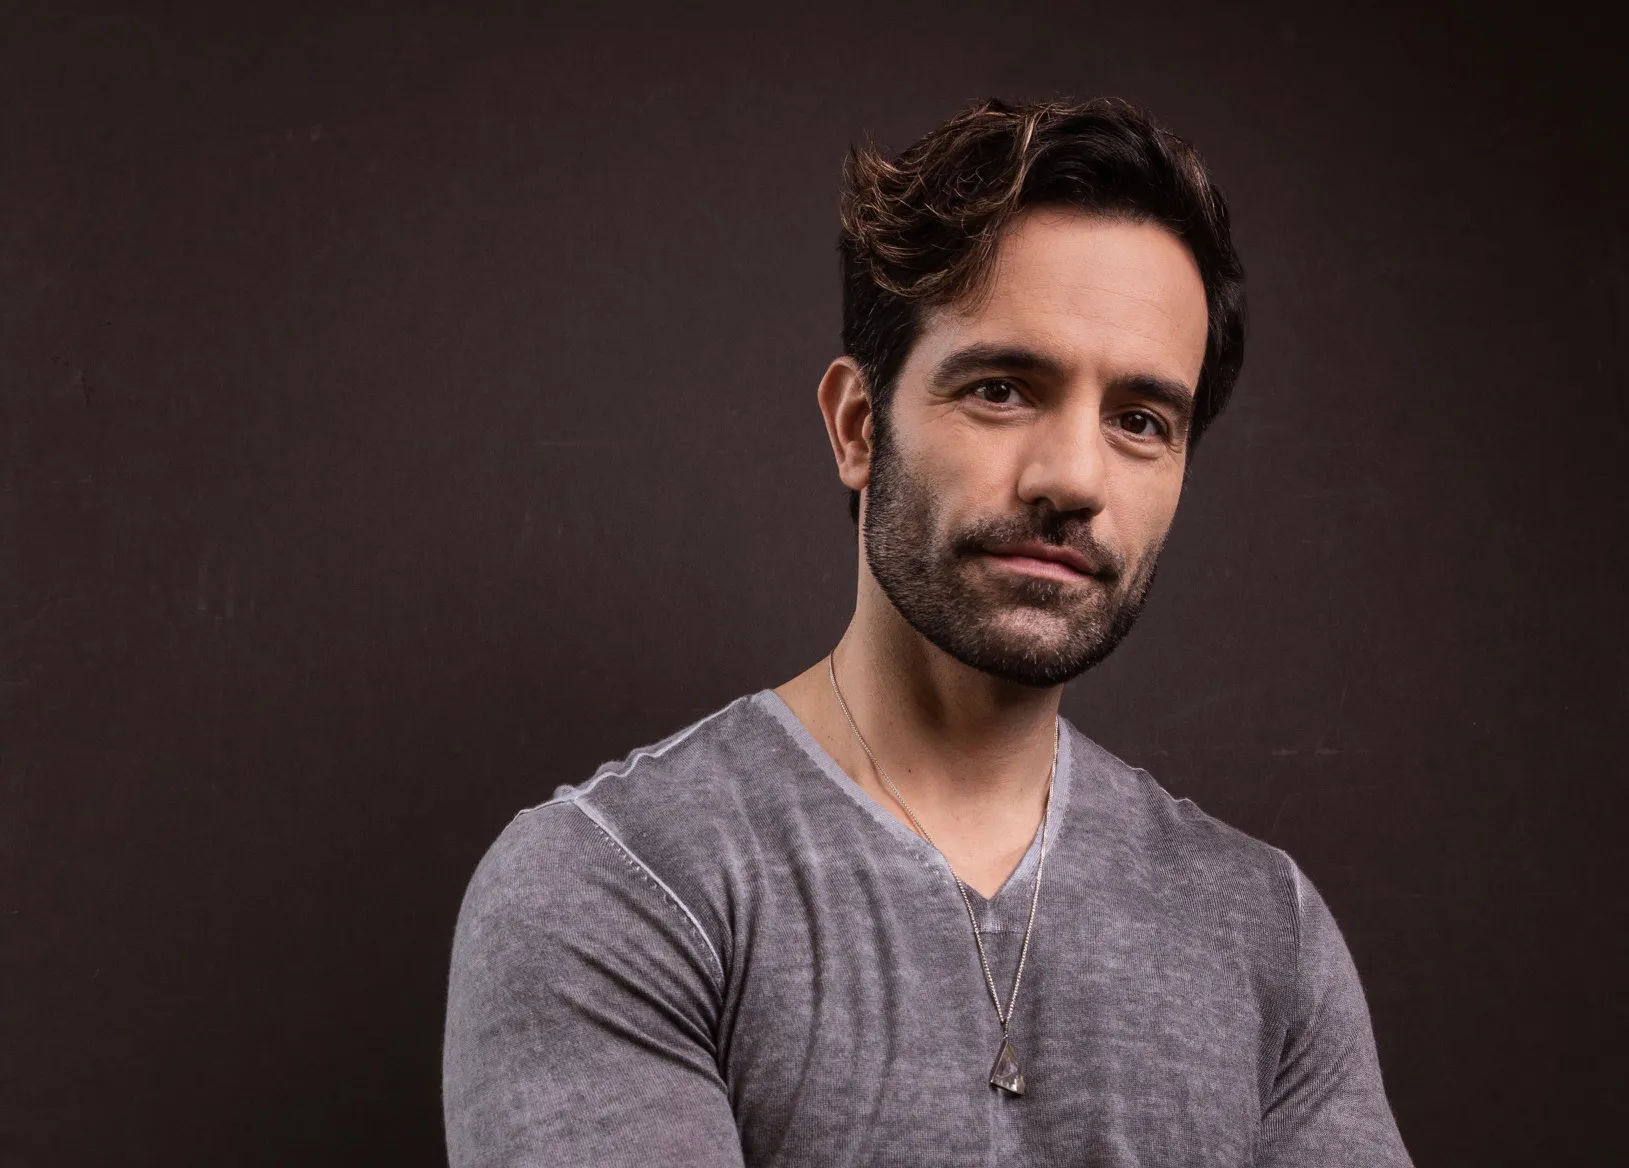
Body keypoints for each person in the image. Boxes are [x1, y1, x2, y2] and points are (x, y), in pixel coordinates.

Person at [442, 97, 1413, 1167]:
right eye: (1002, 390)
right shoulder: (618, 881)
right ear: (859, 425)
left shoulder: (1266, 930)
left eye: (1140, 421)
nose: (1073, 479)